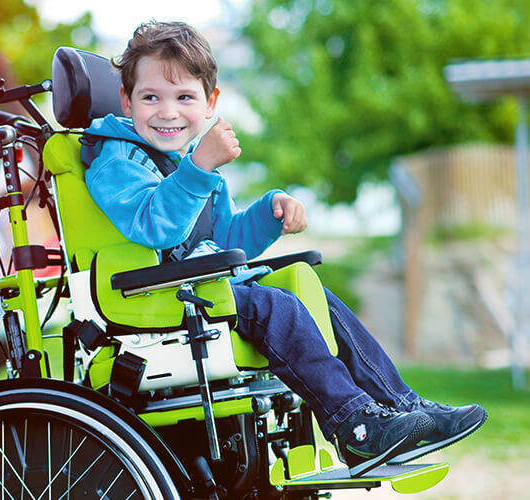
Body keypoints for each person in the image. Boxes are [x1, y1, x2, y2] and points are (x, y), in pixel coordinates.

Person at [83, 20, 486, 477]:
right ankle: (353, 427)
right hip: (156, 298)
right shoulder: (117, 158)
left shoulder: (187, 161)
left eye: (185, 97)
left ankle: (403, 408)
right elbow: (155, 226)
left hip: (202, 287)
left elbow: (225, 242)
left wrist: (268, 212)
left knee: (311, 292)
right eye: (150, 97)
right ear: (126, 101)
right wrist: (198, 168)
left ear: (210, 103)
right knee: (277, 307)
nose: (167, 112)